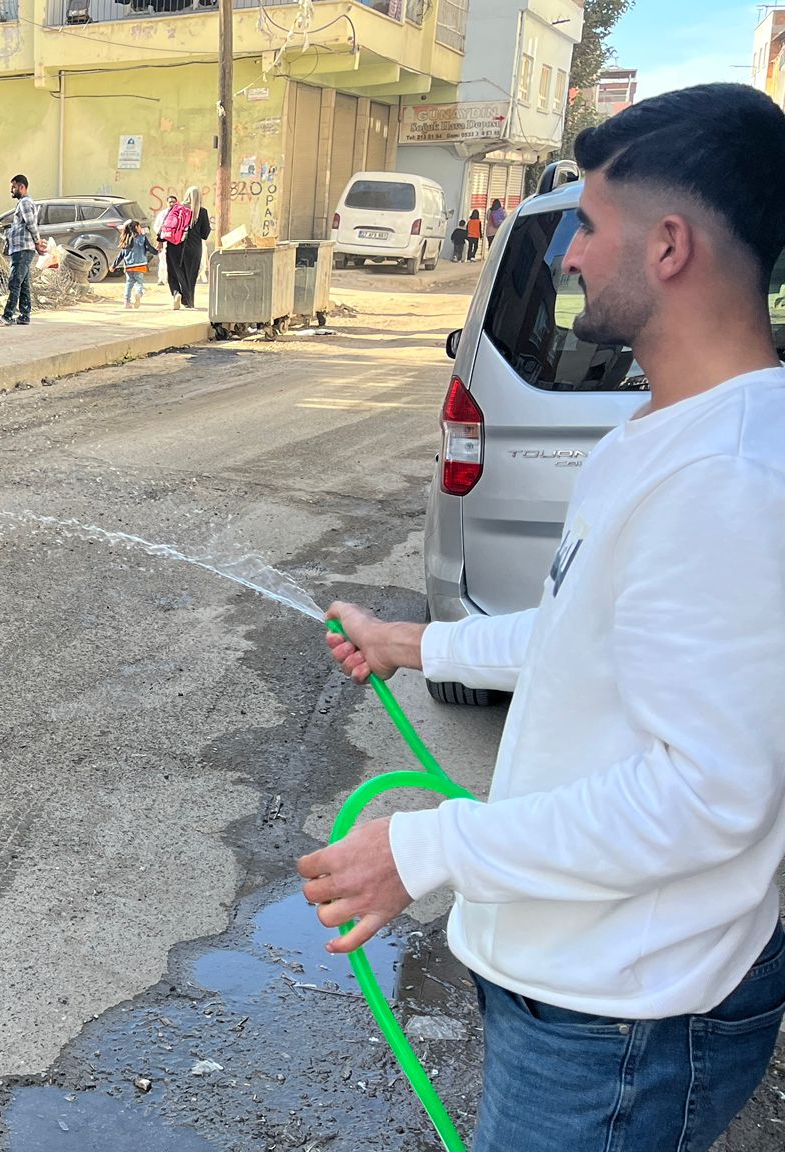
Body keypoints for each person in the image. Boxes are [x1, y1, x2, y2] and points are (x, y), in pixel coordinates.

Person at [299, 83, 785, 1152]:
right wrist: (411, 643)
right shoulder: (660, 432)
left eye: (588, 223)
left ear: (669, 246)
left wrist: (427, 848)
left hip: (625, 1019)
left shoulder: (730, 477)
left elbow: (707, 797)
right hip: (583, 983)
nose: (566, 253)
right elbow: (580, 636)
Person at [0, 174, 42, 328]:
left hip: (23, 249)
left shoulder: (25, 203)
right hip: (22, 248)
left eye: (14, 187)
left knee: (14, 282)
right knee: (23, 284)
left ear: (22, 187)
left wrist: (38, 242)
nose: (11, 190)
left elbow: (31, 224)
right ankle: (24, 315)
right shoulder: (24, 203)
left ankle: (7, 316)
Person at [163, 187, 211, 308]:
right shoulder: (202, 212)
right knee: (190, 276)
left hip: (174, 245)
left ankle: (176, 293)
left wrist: (160, 241)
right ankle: (189, 302)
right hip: (194, 248)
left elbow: (166, 225)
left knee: (173, 273)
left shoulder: (177, 208)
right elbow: (204, 234)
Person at [112, 221, 154, 309]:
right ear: (136, 228)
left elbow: (121, 255)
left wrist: (113, 266)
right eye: (139, 227)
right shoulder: (142, 238)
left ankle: (127, 302)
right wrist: (156, 251)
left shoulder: (125, 239)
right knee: (139, 282)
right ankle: (138, 293)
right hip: (140, 265)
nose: (141, 228)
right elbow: (149, 248)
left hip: (128, 266)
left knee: (129, 283)